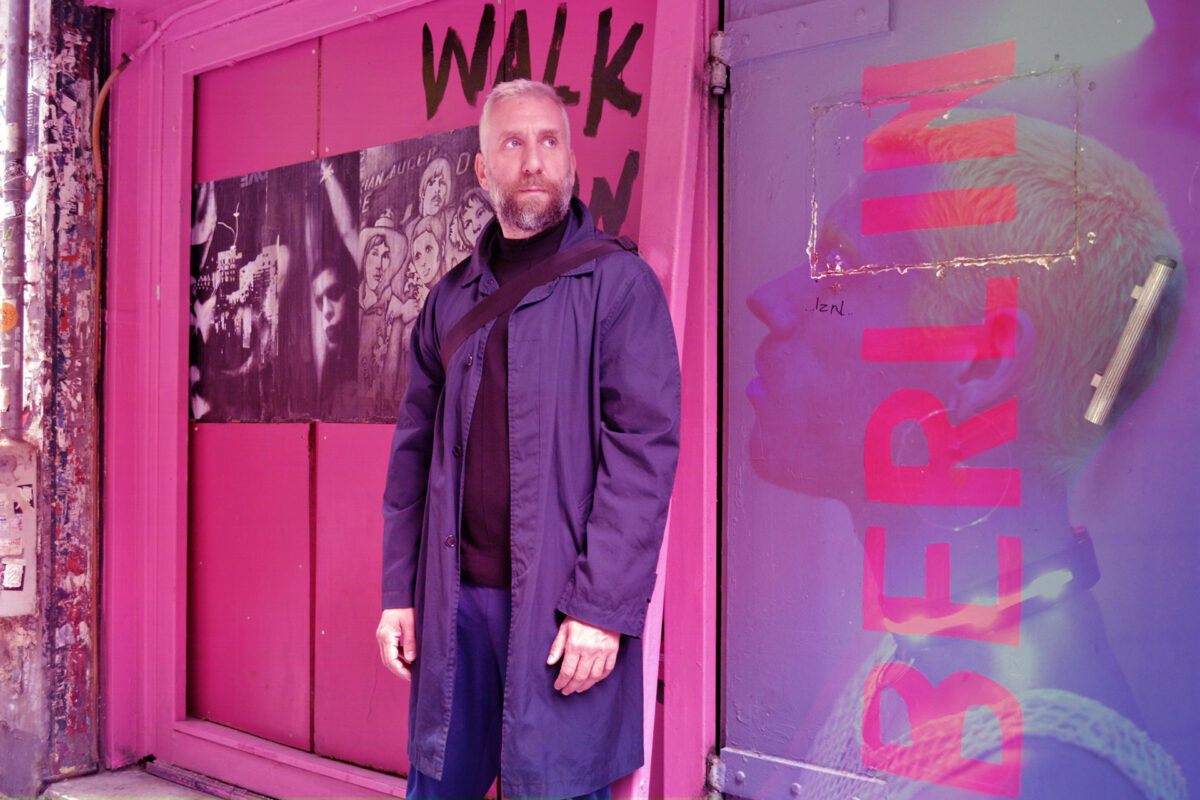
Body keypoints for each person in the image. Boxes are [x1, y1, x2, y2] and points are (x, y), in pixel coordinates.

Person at [745, 113, 1187, 798]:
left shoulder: (1043, 775)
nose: (768, 300)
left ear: (981, 361)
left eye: (840, 269)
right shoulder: (913, 644)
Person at [375, 79, 681, 800]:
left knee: (557, 785)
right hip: (453, 603)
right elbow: (412, 455)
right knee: (437, 785)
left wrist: (601, 611)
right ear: (485, 169)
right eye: (513, 143)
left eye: (549, 141)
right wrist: (398, 592)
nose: (534, 160)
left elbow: (642, 453)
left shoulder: (618, 285)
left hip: (559, 607)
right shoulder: (449, 299)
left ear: (570, 159)